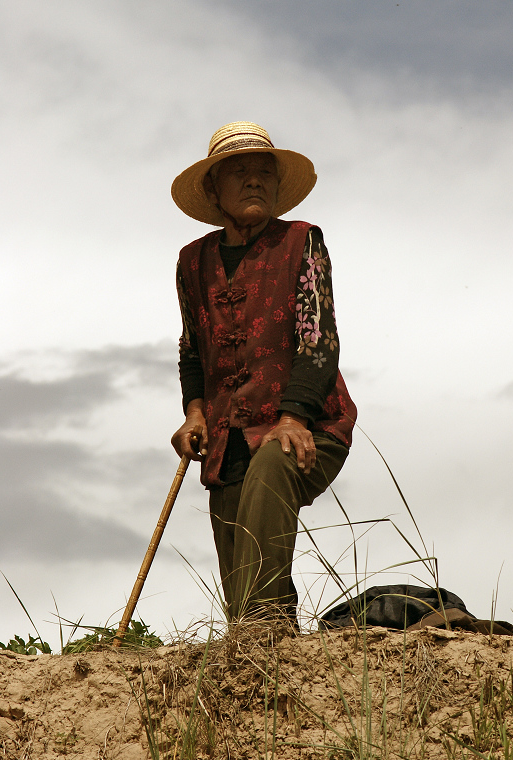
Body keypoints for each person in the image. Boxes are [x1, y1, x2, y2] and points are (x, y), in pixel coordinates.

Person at [170, 122, 356, 624]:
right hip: (228, 438)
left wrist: (294, 416)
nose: (254, 182)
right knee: (239, 577)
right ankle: (262, 653)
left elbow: (318, 341)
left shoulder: (303, 243)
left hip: (309, 422)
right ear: (214, 190)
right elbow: (192, 349)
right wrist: (194, 413)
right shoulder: (193, 262)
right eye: (240, 173)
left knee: (273, 466)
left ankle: (266, 632)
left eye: (263, 173)